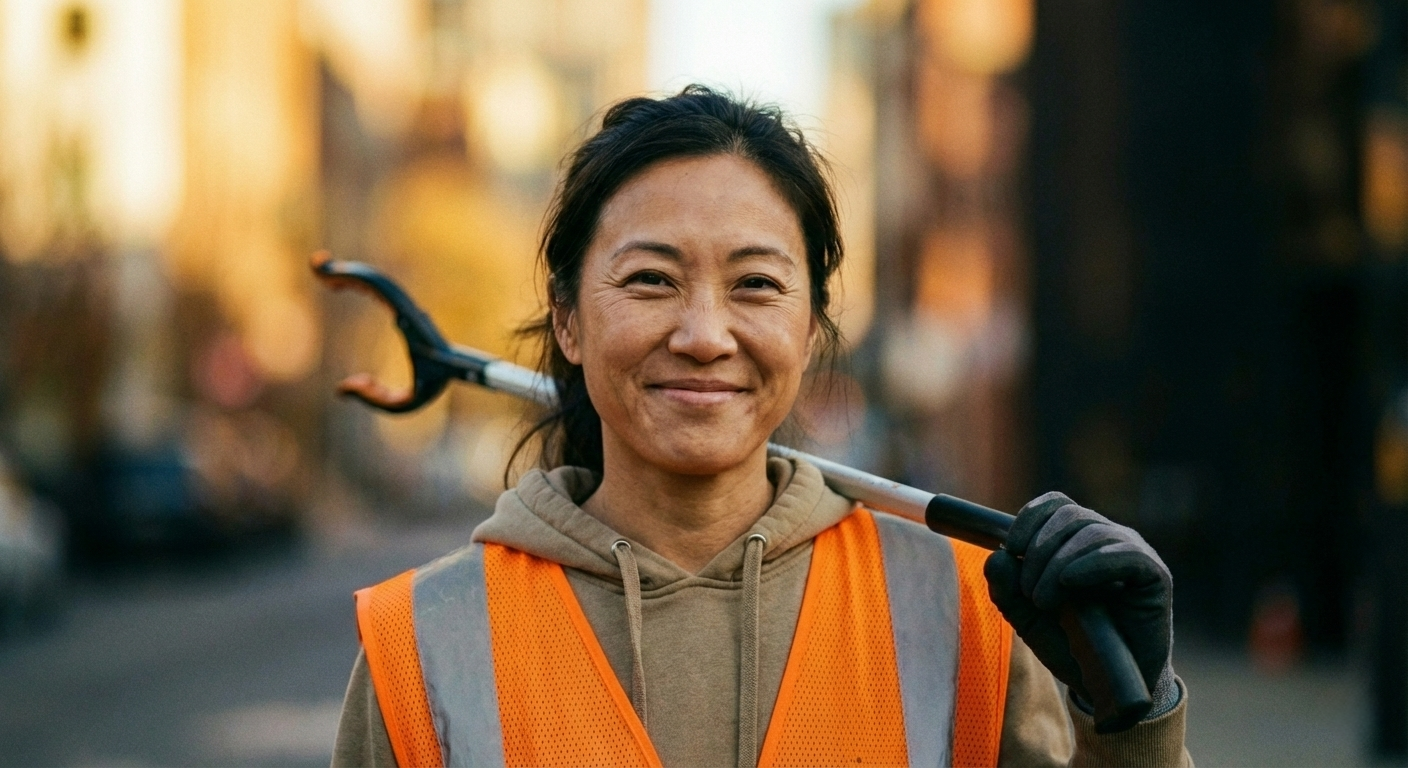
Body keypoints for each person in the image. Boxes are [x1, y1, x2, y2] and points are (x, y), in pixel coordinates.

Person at [331, 86, 1191, 768]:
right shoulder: (424, 642)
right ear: (566, 320)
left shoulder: (968, 614)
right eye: (651, 280)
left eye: (756, 285)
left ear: (814, 326)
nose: (705, 336)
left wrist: (1132, 721)